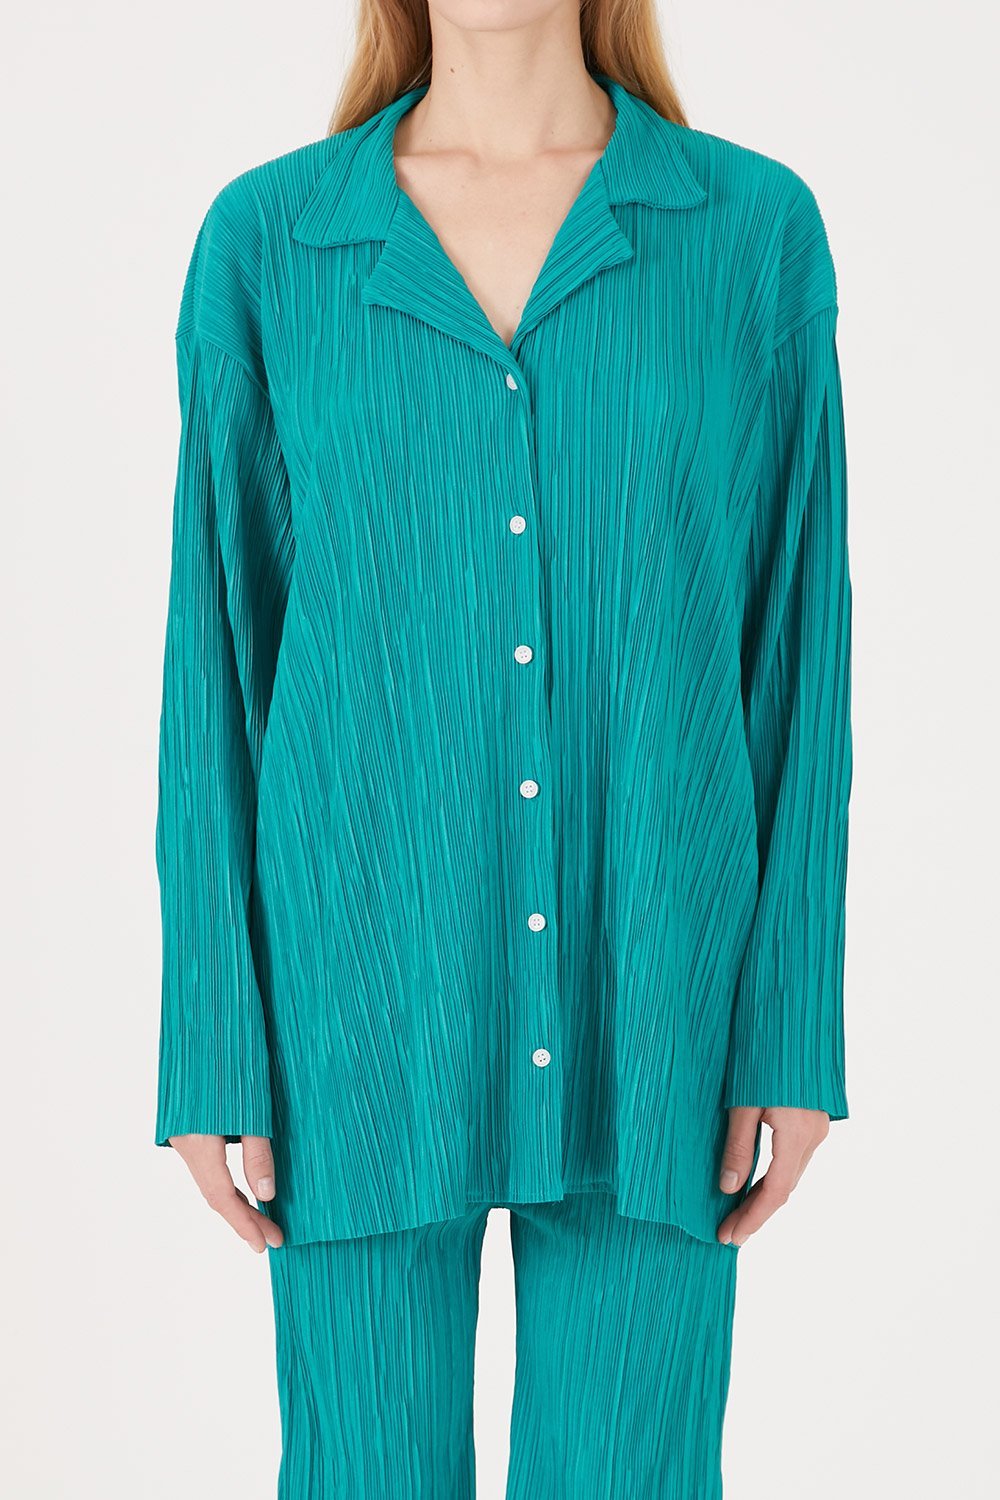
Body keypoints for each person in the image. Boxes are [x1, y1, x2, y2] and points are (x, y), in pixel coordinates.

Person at [152, 1, 853, 1494]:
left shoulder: (751, 236)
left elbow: (798, 644)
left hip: (656, 1005)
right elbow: (216, 659)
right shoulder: (271, 245)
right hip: (357, 1013)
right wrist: (212, 1041)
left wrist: (788, 1029)